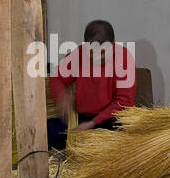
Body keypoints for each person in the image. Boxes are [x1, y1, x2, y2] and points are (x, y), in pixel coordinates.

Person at [47, 20, 135, 150]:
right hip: (83, 119)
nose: (97, 58)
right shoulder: (79, 54)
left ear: (112, 44)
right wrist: (62, 97)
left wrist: (94, 123)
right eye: (92, 53)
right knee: (48, 130)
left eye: (103, 52)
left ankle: (87, 145)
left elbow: (124, 102)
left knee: (119, 136)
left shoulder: (124, 58)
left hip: (110, 119)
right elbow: (56, 78)